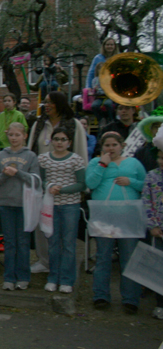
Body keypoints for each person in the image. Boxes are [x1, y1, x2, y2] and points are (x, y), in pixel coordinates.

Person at [28, 91, 88, 274]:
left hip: (66, 185)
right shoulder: (39, 124)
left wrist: (82, 185)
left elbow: (81, 154)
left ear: (60, 104)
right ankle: (44, 261)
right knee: (42, 224)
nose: (46, 105)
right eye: (45, 102)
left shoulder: (74, 125)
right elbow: (32, 150)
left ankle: (63, 264)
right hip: (43, 183)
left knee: (64, 228)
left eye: (50, 102)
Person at [86, 131, 146, 314]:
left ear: (122, 146)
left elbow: (147, 184)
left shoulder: (134, 163)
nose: (111, 148)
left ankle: (130, 298)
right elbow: (90, 183)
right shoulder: (96, 162)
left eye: (114, 145)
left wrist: (132, 181)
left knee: (128, 257)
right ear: (102, 147)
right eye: (107, 145)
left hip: (129, 216)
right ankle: (101, 295)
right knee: (103, 257)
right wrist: (103, 164)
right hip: (104, 216)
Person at [0, 122, 39, 290]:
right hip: (5, 203)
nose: (14, 138)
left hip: (25, 204)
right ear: (7, 135)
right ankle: (9, 278)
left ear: (24, 136)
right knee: (10, 242)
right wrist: (4, 174)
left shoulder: (31, 156)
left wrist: (18, 172)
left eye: (17, 135)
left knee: (23, 242)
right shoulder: (0, 156)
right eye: (11, 135)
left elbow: (35, 181)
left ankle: (23, 277)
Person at [38, 127, 86, 293]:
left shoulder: (76, 160)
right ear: (52, 141)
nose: (59, 142)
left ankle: (67, 280)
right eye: (56, 139)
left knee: (68, 244)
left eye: (63, 139)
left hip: (70, 205)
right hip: (50, 206)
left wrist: (62, 190)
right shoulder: (43, 159)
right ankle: (53, 278)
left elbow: (81, 184)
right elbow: (41, 180)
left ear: (69, 142)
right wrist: (49, 186)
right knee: (52, 243)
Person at [141, 148, 163, 320]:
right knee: (159, 268)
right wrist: (152, 225)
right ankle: (160, 304)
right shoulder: (152, 175)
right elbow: (146, 201)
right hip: (158, 230)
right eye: (160, 158)